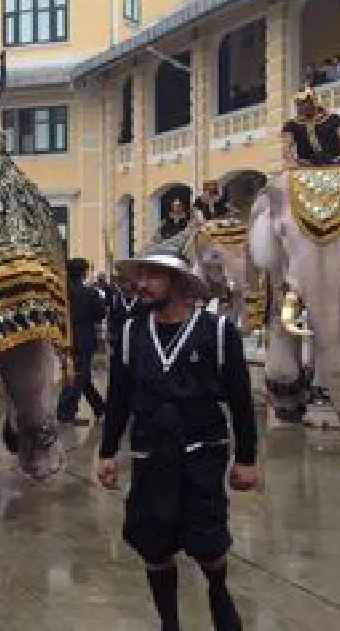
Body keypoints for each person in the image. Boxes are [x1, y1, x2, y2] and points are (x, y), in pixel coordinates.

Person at [97, 241, 259, 631]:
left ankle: (218, 591)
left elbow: (240, 401)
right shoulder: (132, 332)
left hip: (202, 451)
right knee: (153, 539)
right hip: (150, 453)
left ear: (179, 282)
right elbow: (118, 398)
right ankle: (170, 623)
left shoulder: (216, 332)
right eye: (141, 275)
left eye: (153, 276)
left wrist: (247, 459)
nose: (142, 284)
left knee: (208, 539)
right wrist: (106, 453)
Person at [56, 257, 107, 426]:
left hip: (65, 339)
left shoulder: (60, 294)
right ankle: (65, 412)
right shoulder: (89, 293)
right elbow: (101, 314)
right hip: (84, 340)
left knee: (78, 375)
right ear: (83, 273)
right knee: (79, 377)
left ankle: (99, 407)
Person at [281, 87, 340, 167]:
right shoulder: (291, 125)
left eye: (305, 102)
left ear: (314, 101)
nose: (302, 106)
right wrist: (292, 163)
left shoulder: (333, 119)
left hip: (336, 166)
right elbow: (286, 148)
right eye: (299, 104)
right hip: (307, 168)